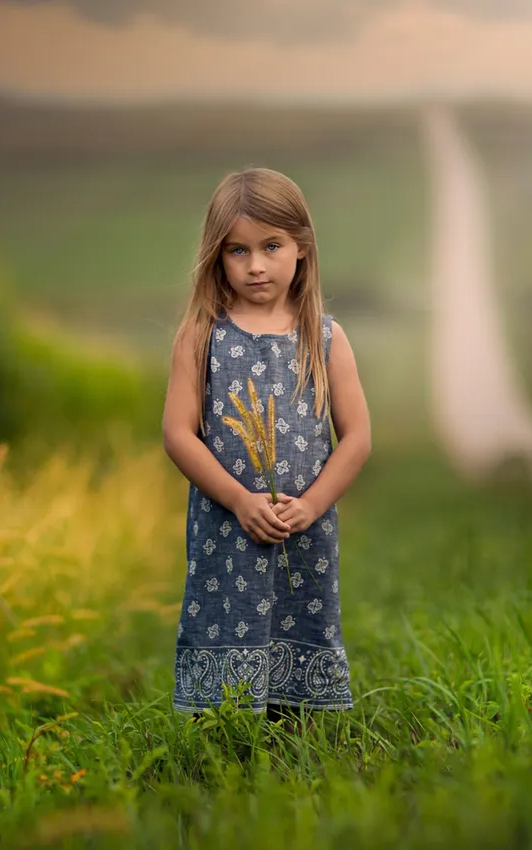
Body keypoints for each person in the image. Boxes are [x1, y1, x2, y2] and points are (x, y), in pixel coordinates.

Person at [161, 166, 372, 723]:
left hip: (304, 526)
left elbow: (356, 439)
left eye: (271, 246)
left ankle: (297, 726)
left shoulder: (324, 337)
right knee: (222, 620)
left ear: (300, 246)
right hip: (226, 528)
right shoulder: (201, 335)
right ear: (217, 256)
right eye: (237, 251)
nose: (255, 265)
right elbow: (178, 434)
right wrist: (237, 500)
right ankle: (221, 728)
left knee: (300, 613)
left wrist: (313, 504)